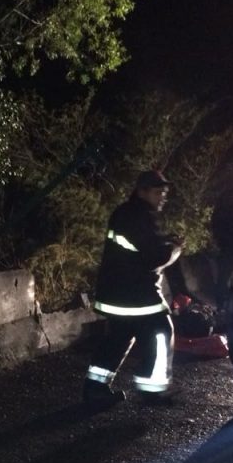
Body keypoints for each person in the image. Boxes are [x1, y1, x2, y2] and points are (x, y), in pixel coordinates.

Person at [83, 169, 183, 409]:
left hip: (117, 292)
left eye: (164, 192)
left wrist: (165, 243)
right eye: (158, 192)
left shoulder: (126, 213)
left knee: (118, 338)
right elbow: (155, 257)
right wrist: (175, 248)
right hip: (136, 294)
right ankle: (152, 390)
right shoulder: (141, 217)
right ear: (142, 191)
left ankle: (95, 389)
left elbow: (141, 248)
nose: (162, 197)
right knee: (161, 331)